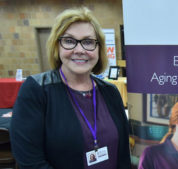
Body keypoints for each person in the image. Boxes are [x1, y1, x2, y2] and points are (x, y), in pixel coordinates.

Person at [10, 7, 131, 169]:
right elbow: (31, 162)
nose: (79, 50)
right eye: (69, 41)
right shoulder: (36, 90)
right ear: (57, 45)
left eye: (88, 42)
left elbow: (123, 154)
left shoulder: (110, 91)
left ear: (99, 49)